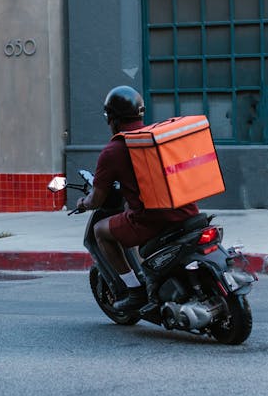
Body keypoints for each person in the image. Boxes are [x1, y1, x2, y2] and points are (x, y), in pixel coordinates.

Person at [75, 85, 201, 313]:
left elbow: (97, 200)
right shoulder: (158, 137)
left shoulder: (113, 151)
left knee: (101, 230)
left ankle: (135, 291)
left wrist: (83, 203)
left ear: (111, 118)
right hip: (188, 211)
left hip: (152, 221)